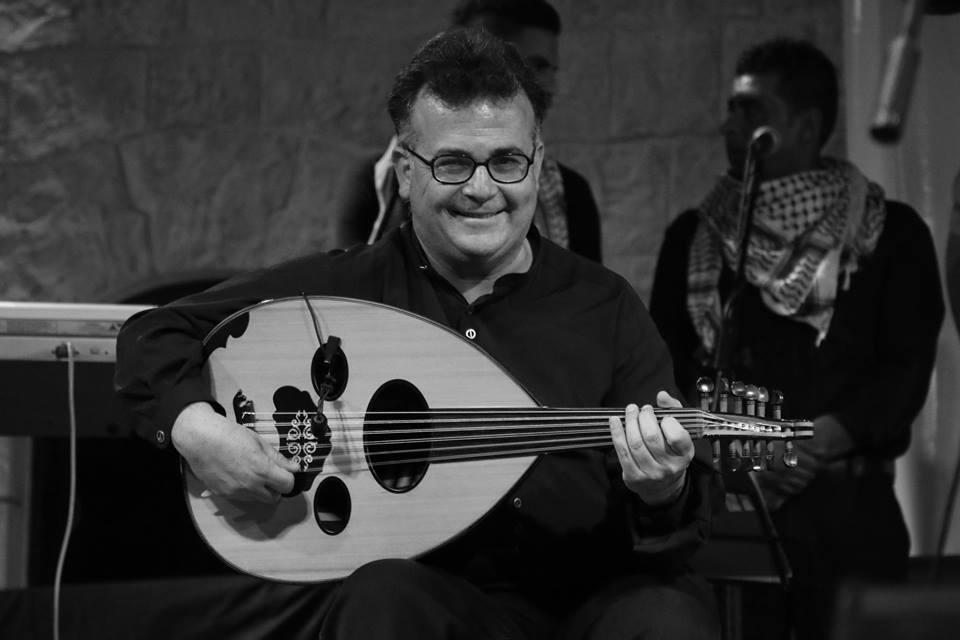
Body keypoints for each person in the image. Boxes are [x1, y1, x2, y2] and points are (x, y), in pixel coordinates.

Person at [115, 28, 719, 640]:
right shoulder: (344, 288)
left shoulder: (604, 305)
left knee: (669, 617)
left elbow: (676, 530)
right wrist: (199, 430)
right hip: (427, 604)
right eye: (453, 163)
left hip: (584, 604)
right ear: (405, 173)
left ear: (536, 163)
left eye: (506, 161)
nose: (482, 189)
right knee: (382, 596)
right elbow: (151, 334)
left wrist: (663, 488)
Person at [648, 37, 945, 640]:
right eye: (731, 108)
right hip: (733, 514)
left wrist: (810, 443)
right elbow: (666, 370)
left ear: (806, 128)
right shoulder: (695, 239)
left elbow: (904, 372)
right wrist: (743, 455)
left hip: (849, 521)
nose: (729, 125)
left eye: (751, 110)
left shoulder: (888, 233)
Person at [334, 0, 603, 263]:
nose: (481, 190)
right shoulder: (378, 181)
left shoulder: (568, 191)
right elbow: (357, 283)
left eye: (508, 164)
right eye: (535, 66)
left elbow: (586, 287)